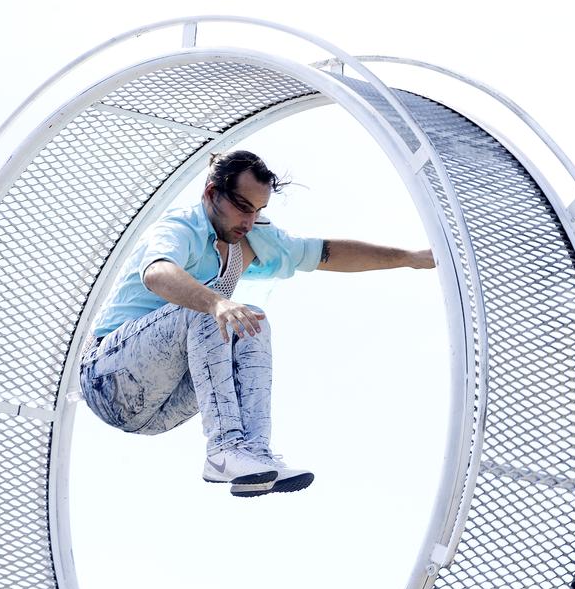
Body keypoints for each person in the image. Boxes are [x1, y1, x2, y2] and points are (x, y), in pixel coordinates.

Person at [80, 149, 435, 497]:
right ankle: (224, 449)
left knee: (253, 320)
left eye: (258, 210)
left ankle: (253, 453)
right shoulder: (181, 226)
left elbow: (325, 253)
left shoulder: (253, 238)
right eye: (242, 207)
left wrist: (409, 258)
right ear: (211, 194)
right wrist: (216, 302)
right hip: (108, 378)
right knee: (214, 311)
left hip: (159, 412)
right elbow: (157, 273)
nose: (248, 222)